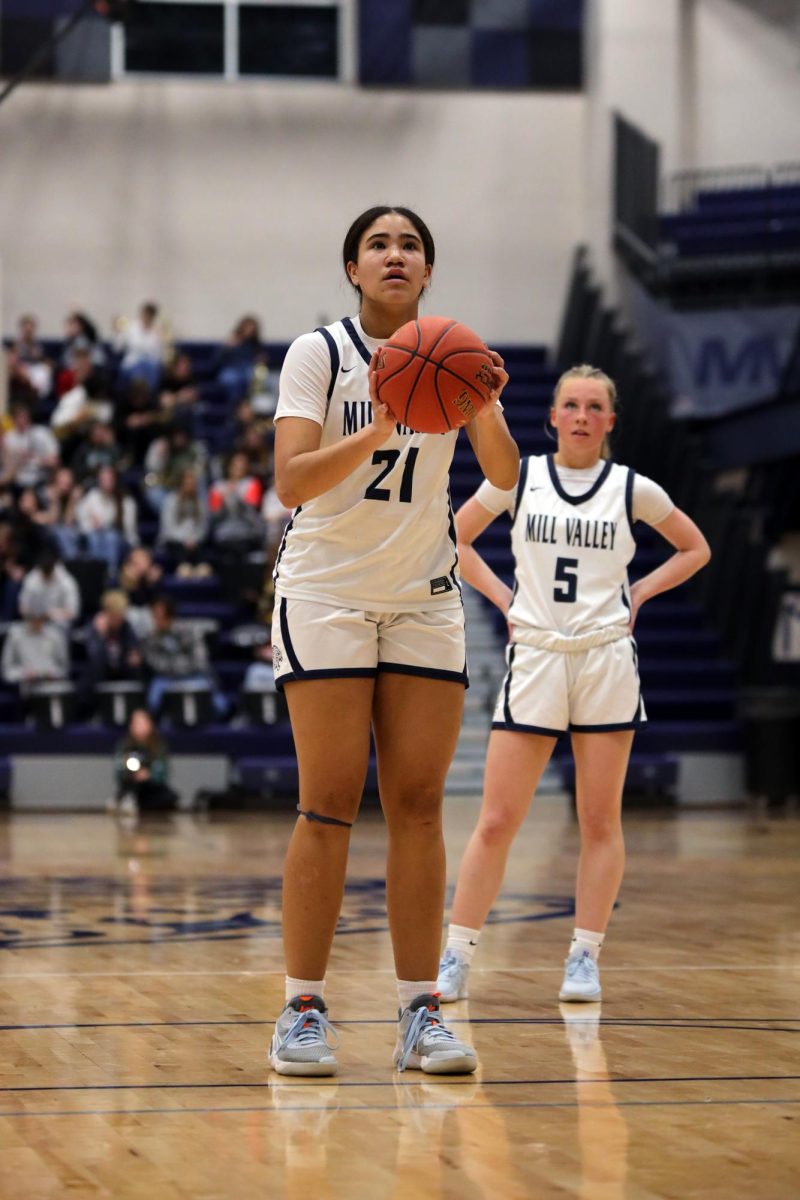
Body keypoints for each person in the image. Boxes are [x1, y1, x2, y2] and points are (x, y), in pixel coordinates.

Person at [267, 204, 519, 1077]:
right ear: (353, 269)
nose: (395, 255)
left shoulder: (454, 355)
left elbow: (504, 474)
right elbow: (291, 480)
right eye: (378, 244)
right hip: (327, 591)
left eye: (410, 244)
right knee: (328, 799)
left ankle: (421, 1011)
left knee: (417, 805)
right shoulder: (320, 355)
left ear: (427, 270)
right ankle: (302, 1006)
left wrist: (473, 395)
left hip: (421, 596)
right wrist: (384, 419)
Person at [435, 364, 711, 1007]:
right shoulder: (520, 476)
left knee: (598, 820)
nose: (582, 415)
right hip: (535, 656)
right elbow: (454, 539)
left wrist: (639, 591)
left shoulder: (631, 489)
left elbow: (695, 548)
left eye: (594, 407)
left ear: (610, 421)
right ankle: (455, 955)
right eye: (571, 405)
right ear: (552, 416)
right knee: (498, 819)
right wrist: (505, 600)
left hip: (605, 659)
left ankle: (584, 956)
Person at [112, 708, 178, 816]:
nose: (139, 727)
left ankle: (135, 804)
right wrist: (132, 774)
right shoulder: (124, 746)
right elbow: (119, 770)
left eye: (143, 722)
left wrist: (149, 775)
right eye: (136, 723)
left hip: (151, 787)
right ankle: (127, 800)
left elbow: (163, 771)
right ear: (131, 726)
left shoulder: (158, 746)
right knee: (132, 788)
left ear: (150, 724)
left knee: (169, 797)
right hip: (132, 784)